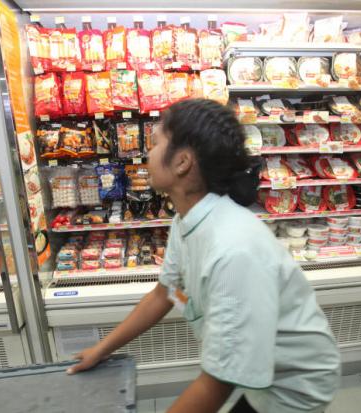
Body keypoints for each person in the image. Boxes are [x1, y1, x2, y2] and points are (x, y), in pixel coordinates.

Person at [67, 99, 341, 412]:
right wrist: (102, 350)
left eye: (156, 143)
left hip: (295, 387)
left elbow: (217, 382)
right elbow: (164, 293)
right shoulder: (187, 220)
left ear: (182, 162)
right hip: (258, 375)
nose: (148, 153)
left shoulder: (233, 250)